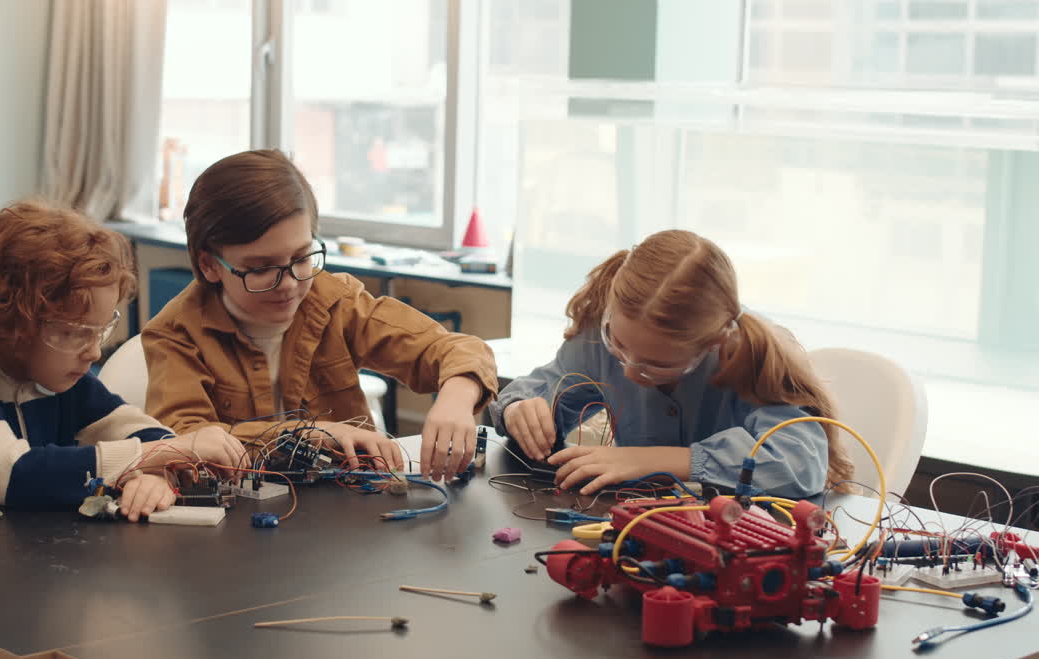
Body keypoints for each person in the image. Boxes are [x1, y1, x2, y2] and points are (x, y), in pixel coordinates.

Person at [0, 200, 242, 659]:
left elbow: (132, 426)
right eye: (74, 332)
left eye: (99, 330)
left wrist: (159, 469)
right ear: (7, 317)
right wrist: (164, 452)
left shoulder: (52, 374)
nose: (93, 351)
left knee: (154, 651)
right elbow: (14, 475)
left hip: (26, 608)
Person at [142, 149, 498, 482]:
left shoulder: (335, 301)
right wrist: (310, 437)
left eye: (301, 256)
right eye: (262, 268)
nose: (290, 283)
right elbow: (185, 441)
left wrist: (456, 396)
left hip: (345, 510)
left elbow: (454, 349)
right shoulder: (175, 334)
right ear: (209, 265)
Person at [490, 229, 851, 499]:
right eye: (618, 345)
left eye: (655, 365)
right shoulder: (602, 335)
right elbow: (547, 384)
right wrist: (521, 408)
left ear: (712, 344)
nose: (629, 370)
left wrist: (662, 460)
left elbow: (800, 463)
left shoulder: (747, 357)